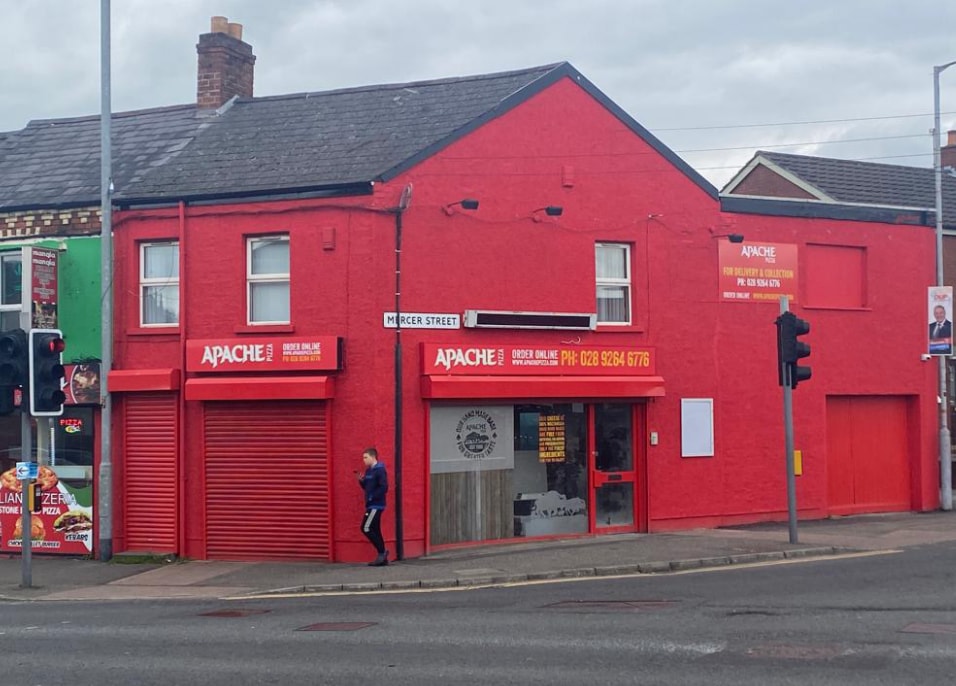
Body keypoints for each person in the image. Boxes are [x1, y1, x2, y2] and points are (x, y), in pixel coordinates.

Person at [355, 447, 388, 566]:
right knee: (375, 529)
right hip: (371, 504)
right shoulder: (369, 471)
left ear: (373, 457)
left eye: (365, 457)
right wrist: (361, 481)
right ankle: (382, 556)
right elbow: (366, 488)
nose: (363, 460)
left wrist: (372, 497)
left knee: (366, 528)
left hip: (376, 505)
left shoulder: (380, 470)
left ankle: (382, 552)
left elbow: (384, 487)